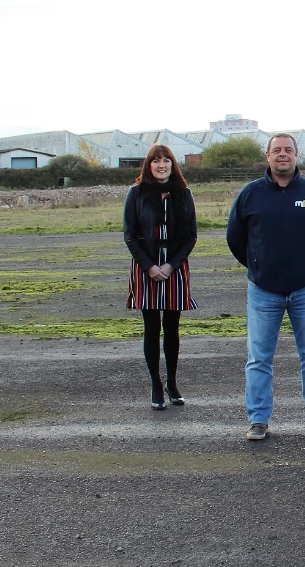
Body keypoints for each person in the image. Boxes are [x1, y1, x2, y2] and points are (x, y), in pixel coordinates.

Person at [226, 133, 305, 440]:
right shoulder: (250, 195)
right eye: (276, 150)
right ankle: (258, 420)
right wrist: (258, 266)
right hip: (263, 290)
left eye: (288, 150)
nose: (282, 154)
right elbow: (235, 238)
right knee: (259, 358)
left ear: (296, 155)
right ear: (268, 156)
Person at [123, 144, 197, 410]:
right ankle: (156, 383)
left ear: (172, 165)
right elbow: (130, 234)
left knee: (173, 329)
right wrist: (149, 266)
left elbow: (191, 235)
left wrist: (171, 265)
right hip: (146, 268)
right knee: (152, 328)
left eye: (166, 161)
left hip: (175, 267)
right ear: (149, 165)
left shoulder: (184, 193)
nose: (161, 165)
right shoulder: (136, 193)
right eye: (156, 161)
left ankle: (172, 382)